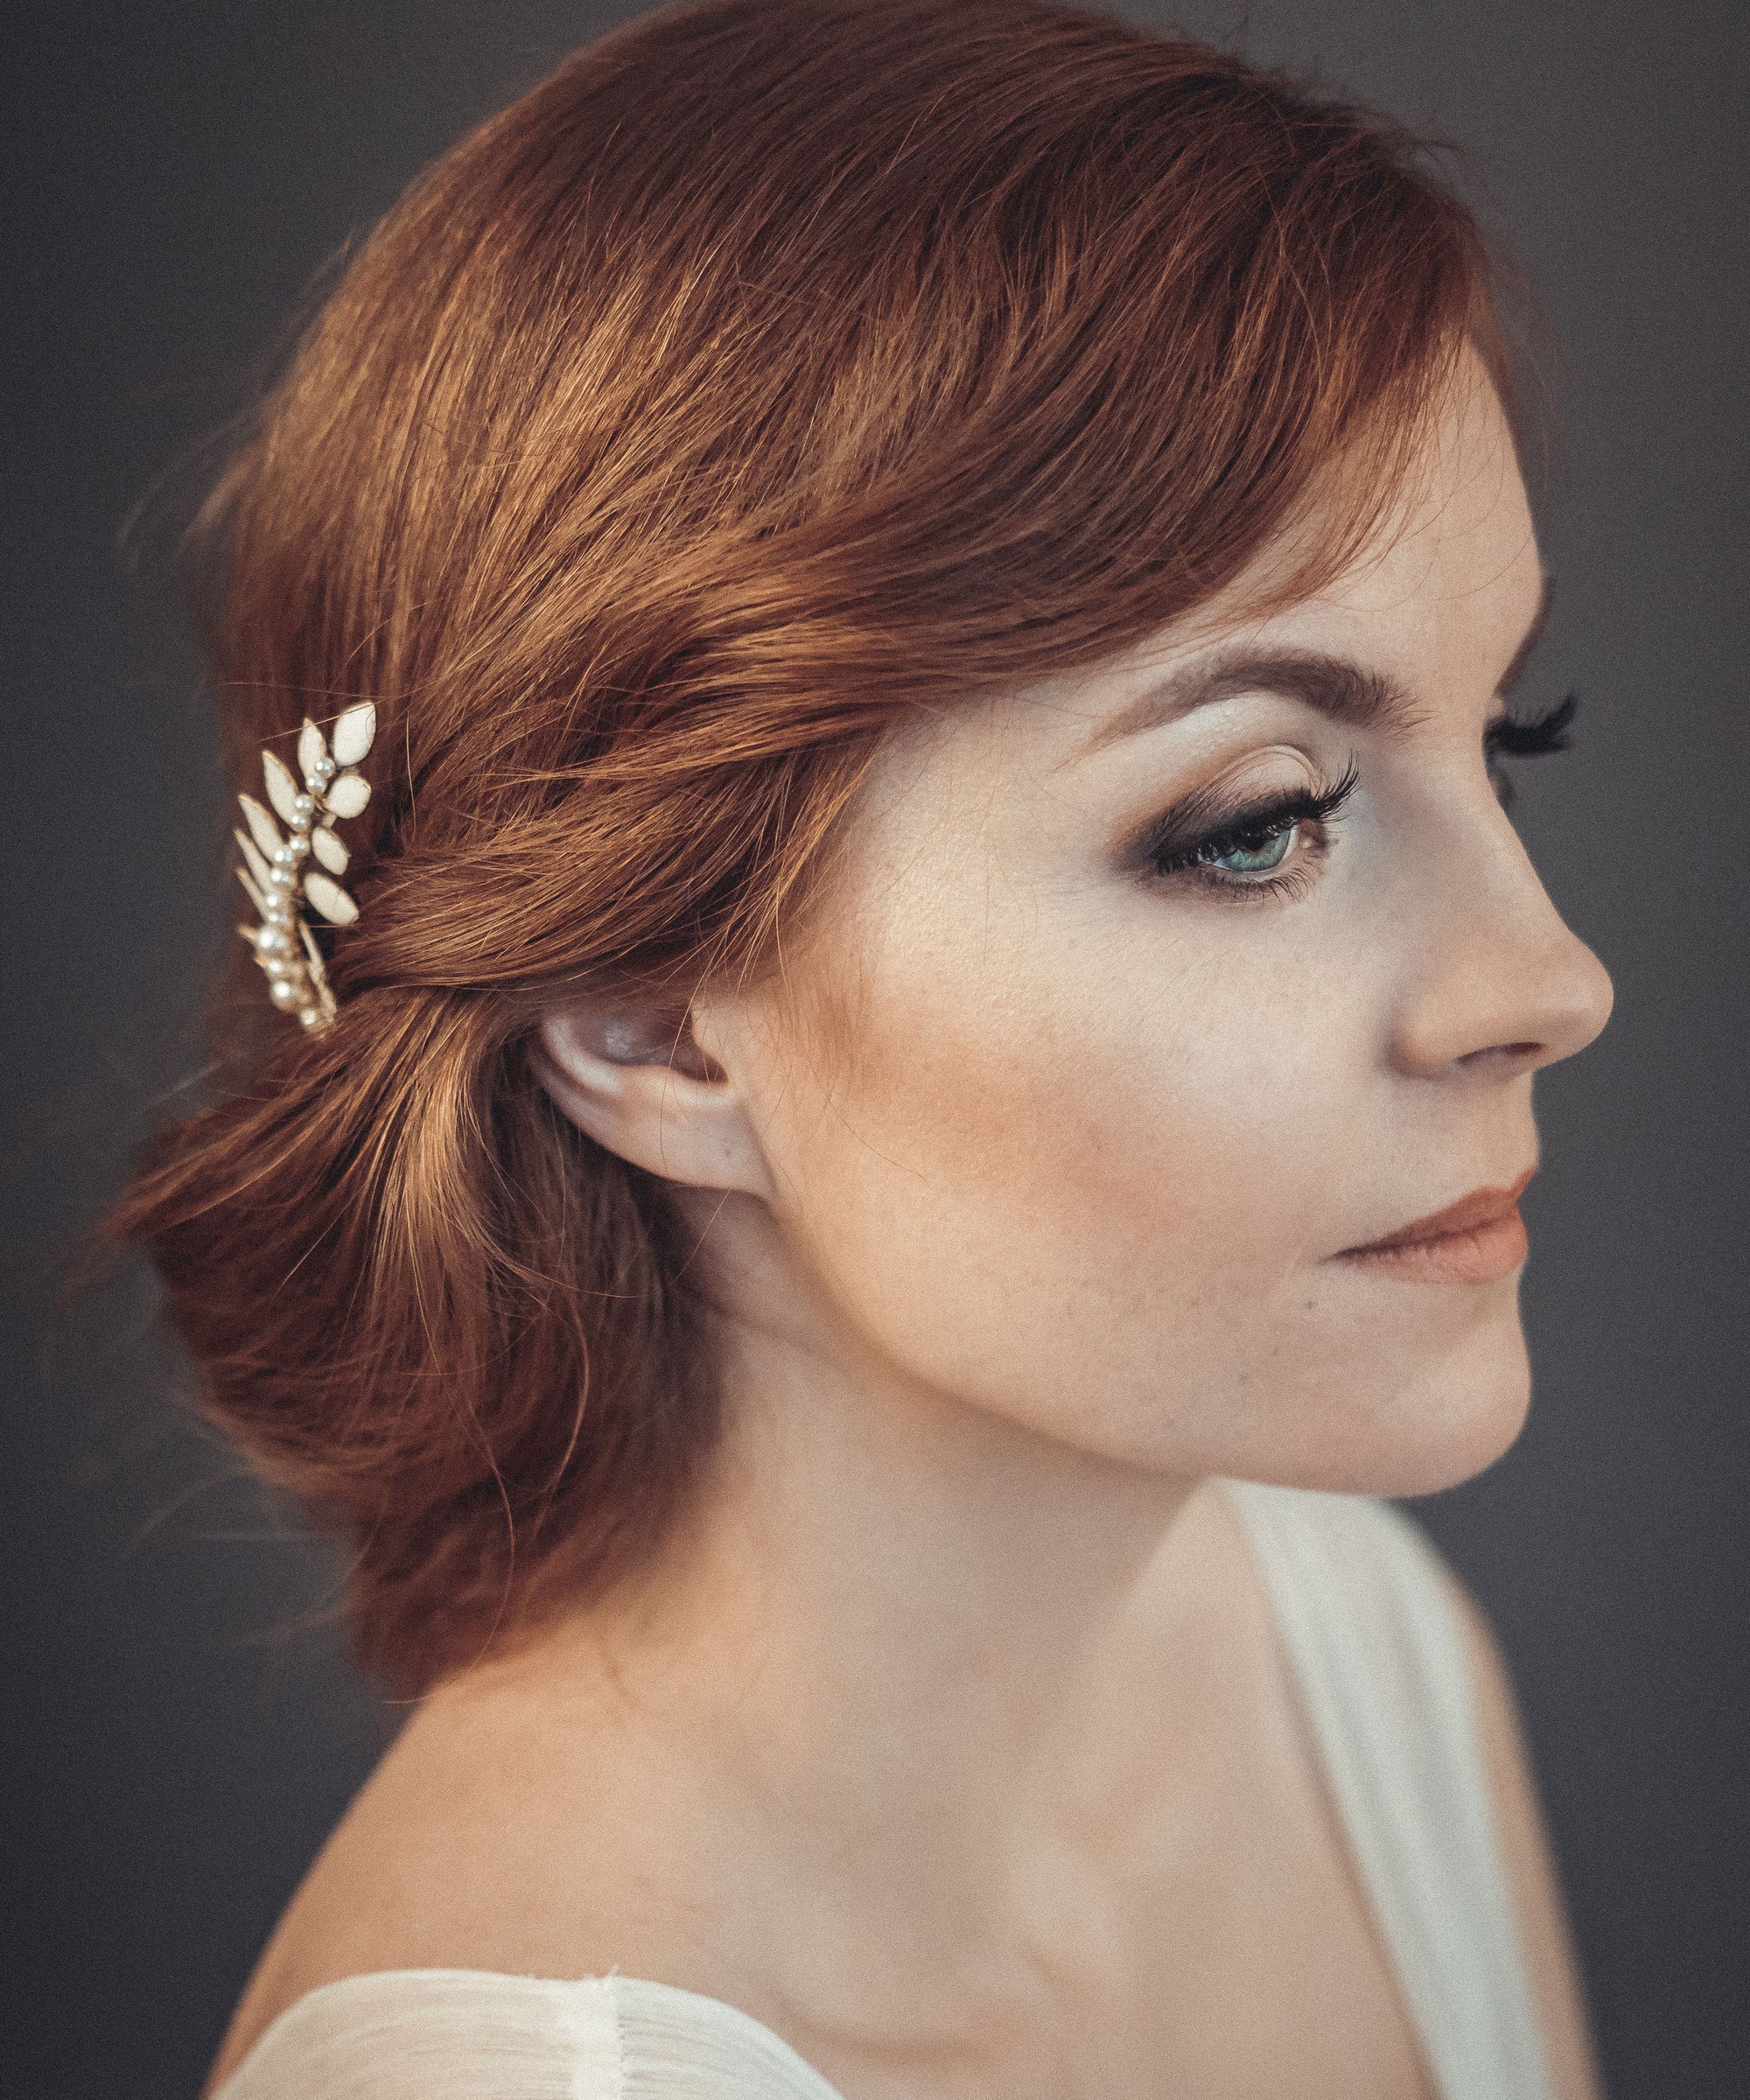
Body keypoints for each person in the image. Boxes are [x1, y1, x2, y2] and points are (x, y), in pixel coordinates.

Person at [107, 1, 1616, 2093]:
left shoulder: (1347, 1654)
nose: (1549, 979)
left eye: (1501, 741)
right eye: (1257, 823)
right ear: (652, 1030)